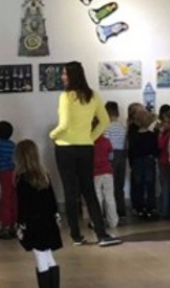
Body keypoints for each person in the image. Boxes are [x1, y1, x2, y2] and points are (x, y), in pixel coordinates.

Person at [50, 64, 119, 247]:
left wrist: (52, 135)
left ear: (72, 75)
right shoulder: (93, 95)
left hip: (65, 148)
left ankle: (76, 235)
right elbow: (104, 121)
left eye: (64, 73)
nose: (62, 76)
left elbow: (64, 124)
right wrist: (90, 137)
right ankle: (101, 234)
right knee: (89, 191)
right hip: (86, 148)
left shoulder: (65, 96)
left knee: (70, 192)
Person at [15, 139, 63, 288]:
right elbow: (52, 200)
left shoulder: (22, 180)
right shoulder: (44, 176)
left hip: (34, 224)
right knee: (48, 254)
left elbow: (23, 206)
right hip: (48, 221)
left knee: (40, 255)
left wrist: (20, 224)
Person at [127, 106, 159, 219]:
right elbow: (156, 150)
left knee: (138, 185)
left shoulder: (134, 135)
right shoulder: (152, 135)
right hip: (149, 160)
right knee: (150, 185)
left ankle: (139, 208)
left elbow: (131, 150)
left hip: (137, 162)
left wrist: (131, 162)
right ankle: (151, 207)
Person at [0, 121, 18, 240]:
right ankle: (14, 225)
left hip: (1, 174)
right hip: (13, 173)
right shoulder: (12, 145)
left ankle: (6, 226)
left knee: (4, 201)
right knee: (13, 199)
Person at [102, 102, 129, 222]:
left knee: (109, 187)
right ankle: (121, 211)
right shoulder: (122, 127)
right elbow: (125, 143)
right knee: (119, 185)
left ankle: (109, 213)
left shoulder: (106, 127)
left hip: (111, 157)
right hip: (121, 156)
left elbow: (106, 144)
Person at [92, 131, 119, 234]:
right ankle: (113, 222)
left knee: (97, 197)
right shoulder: (106, 141)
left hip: (95, 173)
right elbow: (111, 156)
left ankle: (96, 222)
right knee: (110, 197)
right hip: (107, 171)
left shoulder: (90, 141)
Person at [156, 107, 170, 219]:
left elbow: (161, 145)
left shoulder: (168, 134)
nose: (165, 124)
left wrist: (160, 134)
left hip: (165, 162)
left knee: (166, 187)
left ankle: (164, 211)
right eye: (164, 122)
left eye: (168, 122)